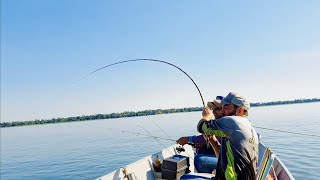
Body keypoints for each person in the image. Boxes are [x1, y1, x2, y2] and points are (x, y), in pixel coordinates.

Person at [197, 92, 259, 180]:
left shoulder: (233, 122)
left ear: (240, 110)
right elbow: (225, 159)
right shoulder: (248, 126)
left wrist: (207, 116)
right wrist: (213, 141)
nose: (222, 111)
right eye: (222, 107)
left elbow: (201, 127)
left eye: (226, 107)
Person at [177, 97, 223, 173]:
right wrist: (204, 145)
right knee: (201, 150)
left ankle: (216, 175)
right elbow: (212, 138)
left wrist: (206, 116)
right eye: (213, 109)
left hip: (231, 161)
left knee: (199, 160)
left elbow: (201, 127)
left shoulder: (224, 123)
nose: (214, 112)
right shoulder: (219, 122)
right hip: (224, 152)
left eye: (217, 109)